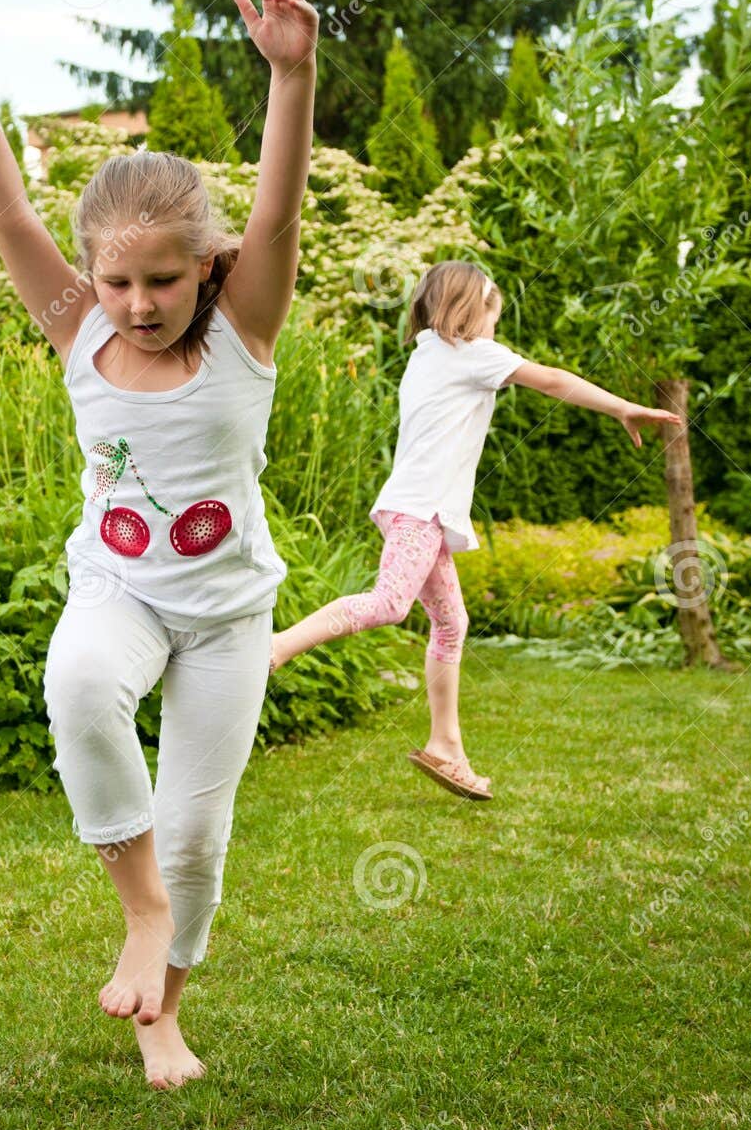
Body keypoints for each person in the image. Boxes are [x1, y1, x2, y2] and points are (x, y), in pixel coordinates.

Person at [0, 0, 318, 1089]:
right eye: (117, 283)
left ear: (206, 269)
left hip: (227, 612)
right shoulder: (78, 327)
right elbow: (2, 203)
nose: (137, 304)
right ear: (89, 277)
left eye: (163, 283)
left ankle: (161, 1012)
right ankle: (141, 914)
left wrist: (293, 74)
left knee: (196, 832)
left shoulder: (246, 327)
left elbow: (277, 209)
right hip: (120, 586)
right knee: (78, 685)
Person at [269, 260, 681, 800]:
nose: (495, 331)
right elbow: (552, 380)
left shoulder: (427, 353)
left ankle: (447, 745)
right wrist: (623, 406)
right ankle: (274, 650)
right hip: (419, 511)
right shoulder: (470, 354)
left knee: (451, 622)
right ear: (470, 311)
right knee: (390, 603)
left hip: (421, 512)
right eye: (493, 317)